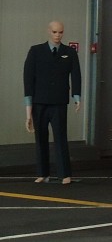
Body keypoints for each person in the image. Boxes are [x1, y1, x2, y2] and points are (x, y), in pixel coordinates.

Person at [23, 20, 82, 184]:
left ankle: (65, 173)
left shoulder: (69, 52)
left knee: (61, 137)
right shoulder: (36, 51)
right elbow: (28, 79)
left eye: (60, 32)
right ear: (48, 31)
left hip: (59, 102)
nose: (58, 35)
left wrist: (77, 96)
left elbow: (76, 75)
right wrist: (28, 109)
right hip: (39, 102)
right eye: (55, 32)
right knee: (40, 137)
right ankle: (43, 173)